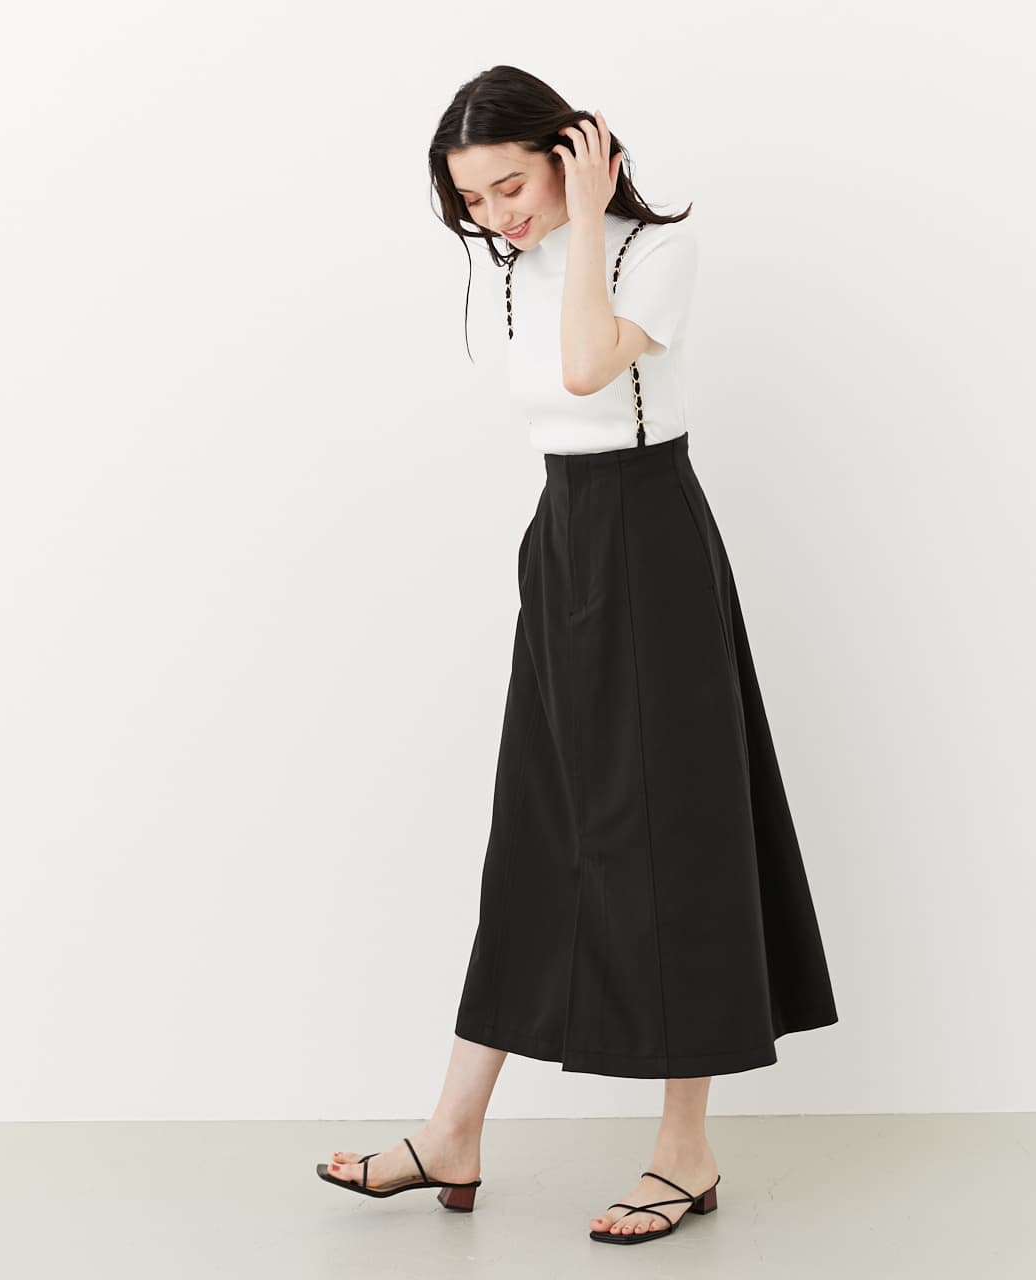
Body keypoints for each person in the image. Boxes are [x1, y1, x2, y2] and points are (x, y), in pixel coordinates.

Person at [316, 65, 838, 1246]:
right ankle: (453, 1128)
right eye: (472, 200)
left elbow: (589, 367)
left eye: (510, 185)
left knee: (674, 836)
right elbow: (555, 403)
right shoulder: (518, 266)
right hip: (559, 542)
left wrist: (592, 218)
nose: (496, 216)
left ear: (570, 152)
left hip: (649, 541)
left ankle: (685, 1148)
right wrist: (553, 231)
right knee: (537, 829)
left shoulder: (653, 250)